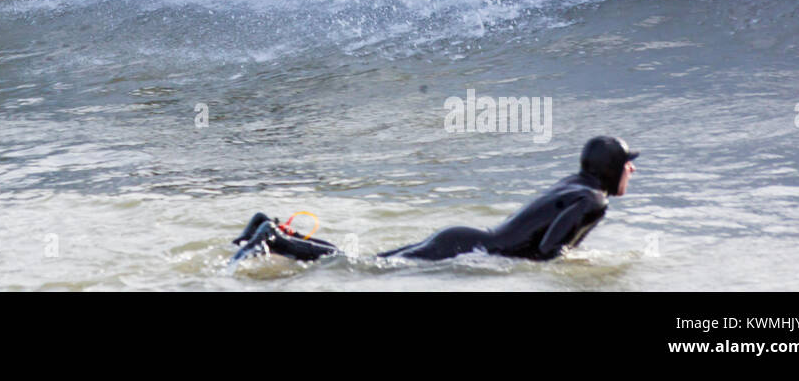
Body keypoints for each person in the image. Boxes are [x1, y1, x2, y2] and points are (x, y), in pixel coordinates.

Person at [230, 136, 638, 264]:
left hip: (463, 240)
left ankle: (280, 231)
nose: (632, 171)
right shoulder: (593, 201)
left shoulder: (576, 185)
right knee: (367, 269)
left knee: (368, 263)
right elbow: (549, 250)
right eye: (628, 164)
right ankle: (277, 239)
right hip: (468, 249)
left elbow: (546, 239)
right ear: (612, 168)